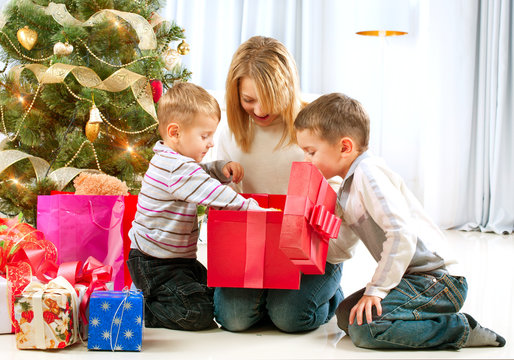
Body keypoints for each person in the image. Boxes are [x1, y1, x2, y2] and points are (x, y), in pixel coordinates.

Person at [294, 92, 506, 349]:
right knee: (345, 316)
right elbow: (342, 250)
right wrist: (313, 237)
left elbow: (401, 233)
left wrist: (376, 289)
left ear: (345, 147)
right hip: (410, 279)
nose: (306, 160)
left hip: (438, 280)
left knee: (365, 329)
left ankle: (459, 329)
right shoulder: (346, 191)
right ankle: (420, 317)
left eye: (311, 152)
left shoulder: (368, 174)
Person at [213, 36, 344, 333]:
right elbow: (228, 198)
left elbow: (339, 190)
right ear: (236, 95)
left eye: (269, 100)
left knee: (289, 318)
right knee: (232, 318)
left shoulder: (315, 124)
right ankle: (270, 295)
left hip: (308, 245)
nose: (259, 110)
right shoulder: (231, 133)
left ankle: (330, 293)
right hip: (255, 244)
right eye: (248, 100)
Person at [127, 82, 266, 331]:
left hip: (178, 260)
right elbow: (211, 192)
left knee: (216, 293)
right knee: (197, 313)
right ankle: (143, 310)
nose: (211, 143)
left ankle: (164, 297)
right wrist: (249, 207)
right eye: (204, 136)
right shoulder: (175, 167)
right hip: (155, 263)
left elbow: (198, 176)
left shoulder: (173, 161)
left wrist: (218, 169)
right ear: (175, 133)